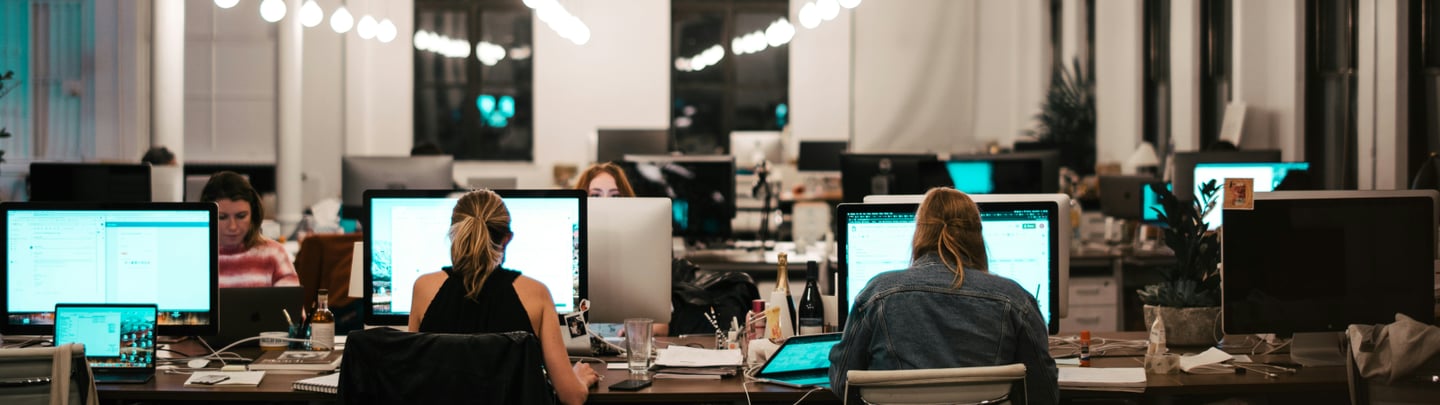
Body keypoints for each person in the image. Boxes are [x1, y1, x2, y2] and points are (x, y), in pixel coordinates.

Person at [828, 188, 1058, 404]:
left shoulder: (876, 295)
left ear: (920, 234)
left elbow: (842, 383)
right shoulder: (1016, 301)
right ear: (977, 237)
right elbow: (1044, 393)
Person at [407, 190, 598, 405]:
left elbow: (409, 380)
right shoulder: (536, 294)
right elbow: (572, 397)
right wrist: (579, 378)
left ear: (454, 234)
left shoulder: (424, 288)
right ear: (507, 239)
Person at [200, 171, 300, 288]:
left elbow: (290, 299)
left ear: (253, 214)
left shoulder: (274, 253)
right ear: (206, 215)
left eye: (241, 216)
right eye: (222, 217)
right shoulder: (192, 255)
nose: (232, 226)